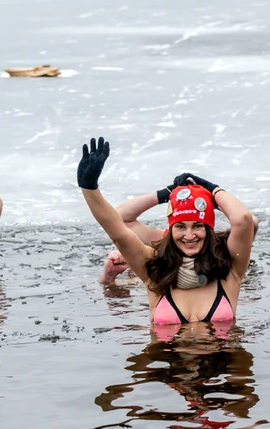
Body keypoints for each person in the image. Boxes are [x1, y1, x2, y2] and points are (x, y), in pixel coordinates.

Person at [77, 137, 258, 328]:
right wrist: (89, 188)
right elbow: (118, 233)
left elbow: (244, 220)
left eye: (198, 226)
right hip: (165, 357)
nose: (189, 235)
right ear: (171, 230)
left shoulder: (229, 269)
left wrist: (211, 190)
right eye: (180, 227)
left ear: (208, 229)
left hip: (225, 357)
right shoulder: (155, 269)